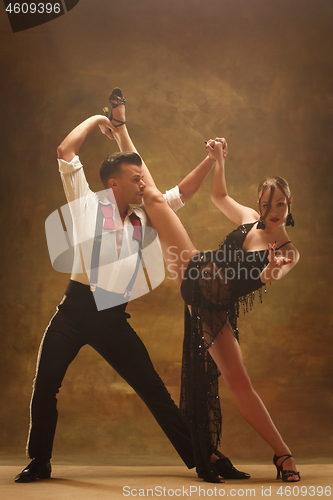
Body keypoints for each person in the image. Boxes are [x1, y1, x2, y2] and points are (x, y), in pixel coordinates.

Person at [15, 89, 248, 484]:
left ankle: (207, 458)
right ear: (113, 183)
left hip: (111, 317)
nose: (144, 182)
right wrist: (96, 119)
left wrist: (211, 161)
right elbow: (64, 151)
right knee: (46, 384)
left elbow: (183, 192)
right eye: (136, 177)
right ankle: (39, 462)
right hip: (73, 311)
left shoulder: (144, 213)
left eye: (143, 177)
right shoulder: (86, 201)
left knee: (154, 391)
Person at [141, 136, 301, 483]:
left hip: (214, 307)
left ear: (290, 203)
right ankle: (123, 134)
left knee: (239, 382)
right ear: (259, 204)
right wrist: (218, 161)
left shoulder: (288, 249)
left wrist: (273, 267)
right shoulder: (247, 218)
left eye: (279, 205)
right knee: (154, 201)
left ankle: (283, 455)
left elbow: (271, 274)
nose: (271, 212)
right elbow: (219, 197)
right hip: (195, 271)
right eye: (265, 204)